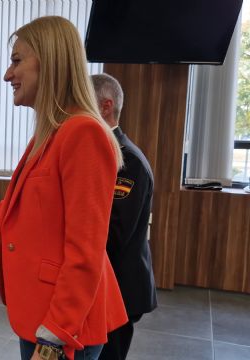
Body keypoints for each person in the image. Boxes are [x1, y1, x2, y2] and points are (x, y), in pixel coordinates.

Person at [0, 17, 128, 360]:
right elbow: (17, 209)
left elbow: (86, 250)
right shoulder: (53, 131)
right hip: (42, 315)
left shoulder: (83, 133)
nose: (8, 74)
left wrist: (54, 339)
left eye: (17, 60)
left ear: (50, 61)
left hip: (64, 327)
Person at [91, 73, 157, 360]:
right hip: (106, 283)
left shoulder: (126, 160)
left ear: (106, 106)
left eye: (84, 102)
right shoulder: (103, 151)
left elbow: (113, 234)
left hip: (120, 288)